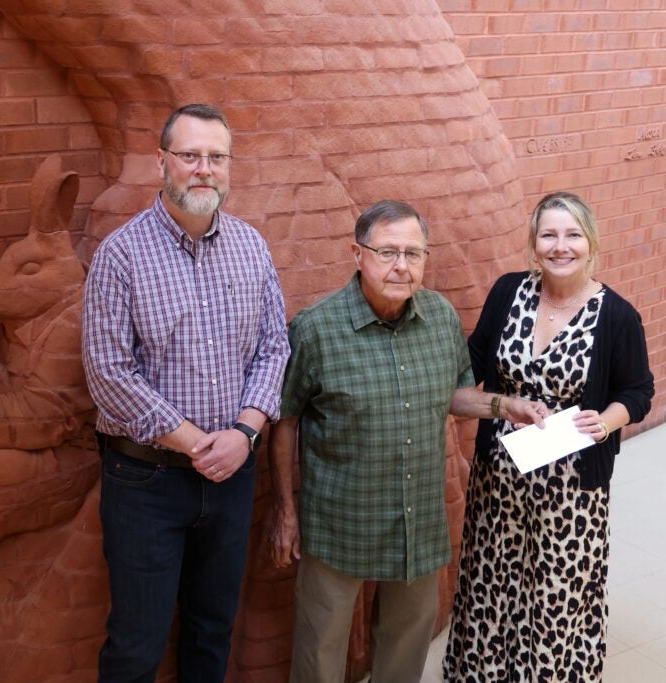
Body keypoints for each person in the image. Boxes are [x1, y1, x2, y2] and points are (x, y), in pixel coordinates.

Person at [268, 200, 547, 683]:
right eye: (388, 252)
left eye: (414, 254)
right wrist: (286, 511)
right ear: (357, 253)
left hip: (416, 517)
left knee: (406, 644)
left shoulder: (438, 316)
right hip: (339, 521)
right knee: (321, 650)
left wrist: (505, 406)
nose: (402, 266)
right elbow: (285, 421)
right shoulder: (315, 329)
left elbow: (453, 396)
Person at [82, 103, 290, 682]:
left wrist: (245, 433)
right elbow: (108, 373)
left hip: (233, 477)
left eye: (216, 157)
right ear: (161, 162)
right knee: (135, 646)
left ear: (229, 167)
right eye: (190, 155)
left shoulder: (251, 247)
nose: (204, 169)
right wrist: (202, 444)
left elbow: (275, 348)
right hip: (146, 482)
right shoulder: (120, 256)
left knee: (211, 632)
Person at [443, 191, 655, 680]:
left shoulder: (616, 316)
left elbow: (638, 390)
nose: (561, 246)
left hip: (571, 488)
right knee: (492, 581)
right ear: (534, 243)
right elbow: (472, 364)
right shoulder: (507, 292)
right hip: (499, 476)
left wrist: (607, 421)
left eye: (573, 235)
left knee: (557, 591)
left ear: (591, 242)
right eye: (549, 235)